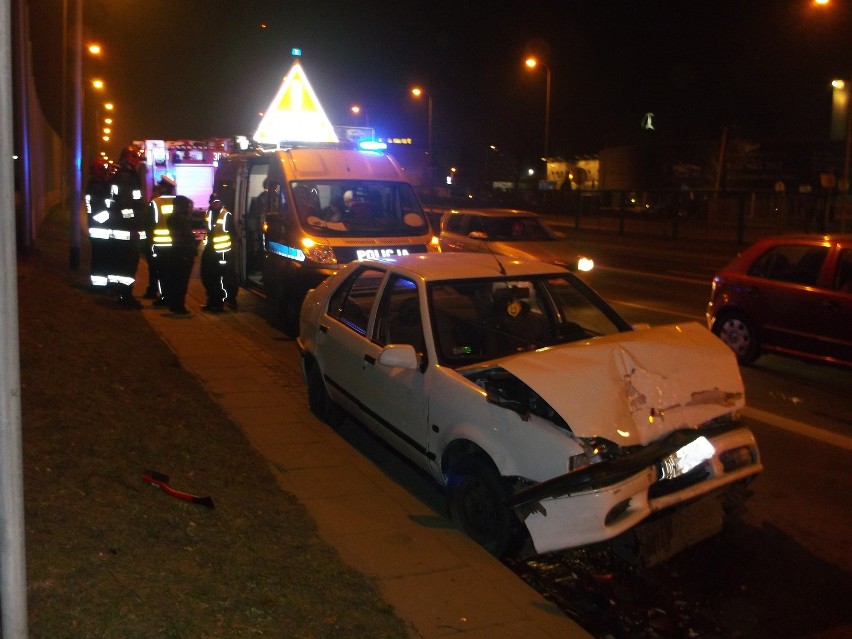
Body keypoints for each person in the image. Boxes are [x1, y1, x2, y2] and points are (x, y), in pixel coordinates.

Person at [106, 144, 146, 308]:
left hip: (121, 228)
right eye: (135, 157)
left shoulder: (123, 175)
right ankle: (125, 296)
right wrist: (134, 222)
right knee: (128, 263)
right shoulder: (126, 177)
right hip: (127, 230)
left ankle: (120, 292)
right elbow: (126, 206)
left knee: (121, 262)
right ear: (129, 158)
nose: (137, 161)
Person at [162, 195, 197, 316]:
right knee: (181, 281)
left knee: (175, 280)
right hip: (183, 252)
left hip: (177, 251)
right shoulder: (179, 219)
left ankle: (174, 305)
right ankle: (179, 306)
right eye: (186, 206)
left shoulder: (173, 218)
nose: (188, 208)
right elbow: (188, 236)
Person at [200, 194, 235, 312]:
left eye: (217, 201)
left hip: (222, 252)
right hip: (210, 250)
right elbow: (207, 230)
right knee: (208, 277)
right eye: (213, 202)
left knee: (221, 278)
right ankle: (211, 301)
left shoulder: (226, 215)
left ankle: (220, 303)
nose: (215, 204)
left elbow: (233, 234)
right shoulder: (208, 213)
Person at [143, 176, 176, 300]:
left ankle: (155, 292)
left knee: (156, 269)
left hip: (158, 243)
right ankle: (168, 294)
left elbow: (148, 224)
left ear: (163, 188)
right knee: (170, 270)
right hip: (173, 244)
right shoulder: (177, 202)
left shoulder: (155, 203)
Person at [84, 158, 113, 289]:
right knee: (101, 258)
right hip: (101, 228)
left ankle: (99, 285)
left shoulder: (97, 185)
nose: (105, 172)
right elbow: (99, 210)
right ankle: (99, 286)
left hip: (98, 228)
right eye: (103, 169)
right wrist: (114, 217)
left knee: (100, 257)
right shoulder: (97, 187)